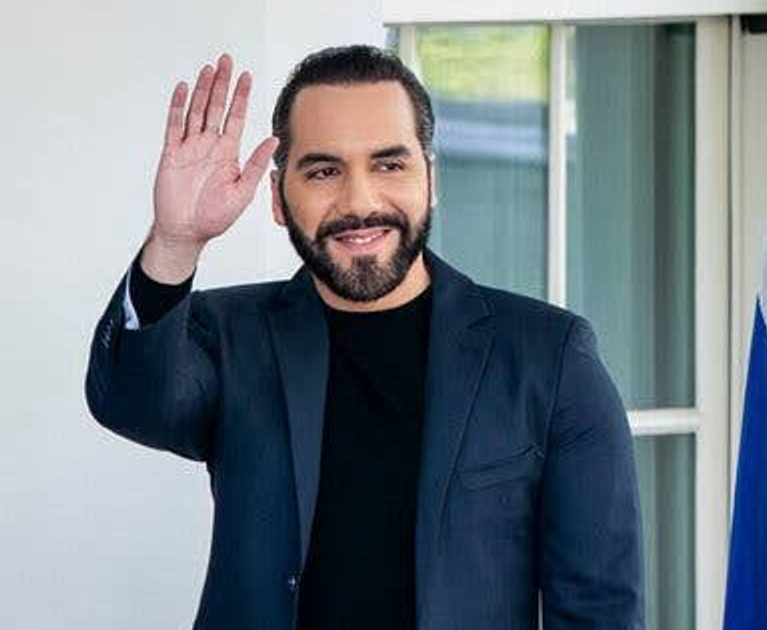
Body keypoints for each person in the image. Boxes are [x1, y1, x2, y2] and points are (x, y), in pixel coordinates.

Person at [85, 45, 643, 630]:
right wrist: (176, 243)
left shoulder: (551, 359)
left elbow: (598, 609)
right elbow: (132, 403)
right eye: (324, 171)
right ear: (278, 198)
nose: (360, 202)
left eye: (389, 164)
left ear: (431, 179)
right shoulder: (225, 336)